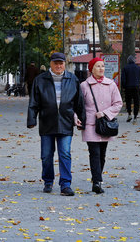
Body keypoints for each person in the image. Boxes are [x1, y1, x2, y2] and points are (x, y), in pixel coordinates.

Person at [27, 52, 85, 196]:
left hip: (65, 121)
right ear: (50, 64)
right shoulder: (41, 80)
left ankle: (65, 184)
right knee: (46, 155)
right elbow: (33, 102)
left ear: (65, 64)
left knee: (65, 153)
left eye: (61, 63)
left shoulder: (72, 79)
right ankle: (48, 180)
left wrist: (81, 120)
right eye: (56, 63)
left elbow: (79, 102)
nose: (58, 66)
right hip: (47, 121)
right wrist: (31, 119)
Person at [79, 57, 123, 194]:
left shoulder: (111, 84)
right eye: (98, 66)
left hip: (105, 124)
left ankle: (96, 178)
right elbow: (79, 106)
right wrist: (77, 119)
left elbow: (118, 103)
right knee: (95, 153)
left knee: (102, 154)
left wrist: (105, 113)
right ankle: (97, 182)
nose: (101, 68)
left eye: (102, 66)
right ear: (91, 69)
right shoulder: (84, 85)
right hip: (90, 125)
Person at [121, 55, 140, 122]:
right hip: (136, 87)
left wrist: (123, 87)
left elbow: (123, 79)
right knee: (136, 102)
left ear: (128, 61)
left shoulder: (125, 68)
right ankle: (135, 117)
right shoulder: (138, 68)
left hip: (128, 87)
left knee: (128, 101)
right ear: (134, 61)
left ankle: (129, 114)